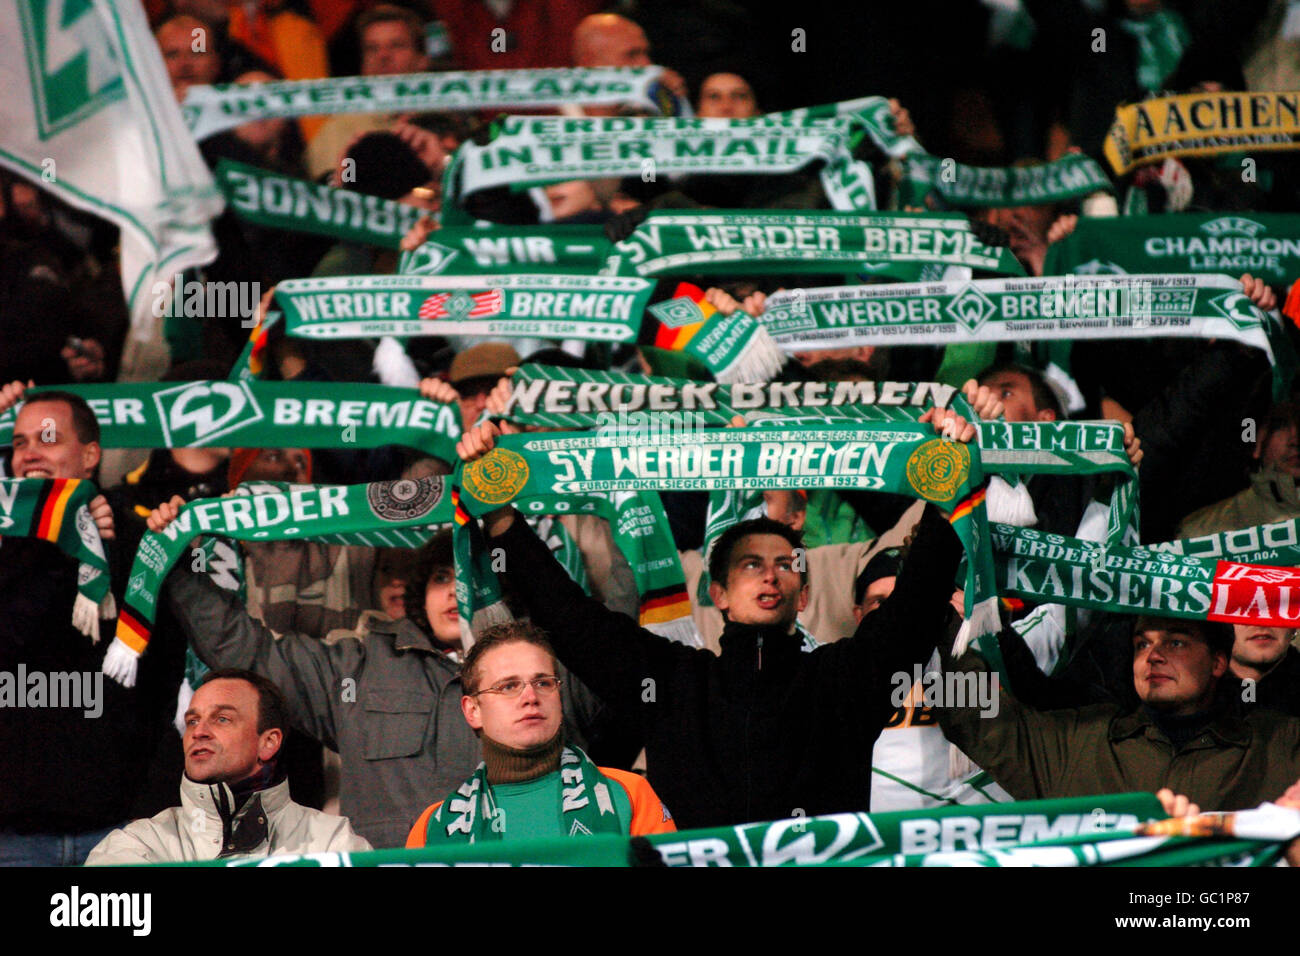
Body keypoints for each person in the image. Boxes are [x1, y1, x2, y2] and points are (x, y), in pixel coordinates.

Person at [456, 406, 975, 829]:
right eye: (752, 565)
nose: (770, 576)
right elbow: (568, 619)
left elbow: (917, 601)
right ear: (719, 593)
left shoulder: (842, 680)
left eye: (785, 565)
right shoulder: (671, 683)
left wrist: (949, 469)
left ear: (803, 594)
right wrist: (501, 518)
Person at [147, 503, 613, 848]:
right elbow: (242, 647)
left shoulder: (552, 671)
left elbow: (620, 640)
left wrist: (628, 513)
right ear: (417, 594)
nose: (456, 589)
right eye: (439, 578)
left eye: (472, 575)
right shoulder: (359, 667)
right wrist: (172, 557)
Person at [0, 387, 181, 865]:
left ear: (91, 455)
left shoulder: (141, 544)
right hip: (13, 839)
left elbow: (167, 683)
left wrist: (146, 814)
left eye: (48, 438)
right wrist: (50, 543)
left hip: (122, 834)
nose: (30, 453)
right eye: (18, 443)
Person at [936, 615, 1300, 810]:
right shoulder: (1080, 740)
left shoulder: (1277, 746)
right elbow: (969, 713)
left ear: (1219, 662)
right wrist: (953, 623)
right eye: (1142, 644)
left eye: (1176, 642)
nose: (1152, 655)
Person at [407, 622, 674, 845]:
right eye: (508, 686)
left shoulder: (629, 794)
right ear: (472, 710)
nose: (530, 696)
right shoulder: (434, 827)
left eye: (543, 682)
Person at [86, 670, 370, 863]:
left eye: (222, 719)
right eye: (193, 721)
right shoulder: (139, 845)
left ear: (268, 743)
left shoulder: (334, 842)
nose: (199, 732)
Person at [305, 6, 434, 180]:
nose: (383, 55)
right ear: (363, 64)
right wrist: (348, 175)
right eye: (372, 49)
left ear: (423, 59)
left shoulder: (449, 120)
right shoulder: (340, 129)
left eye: (396, 45)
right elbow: (339, 187)